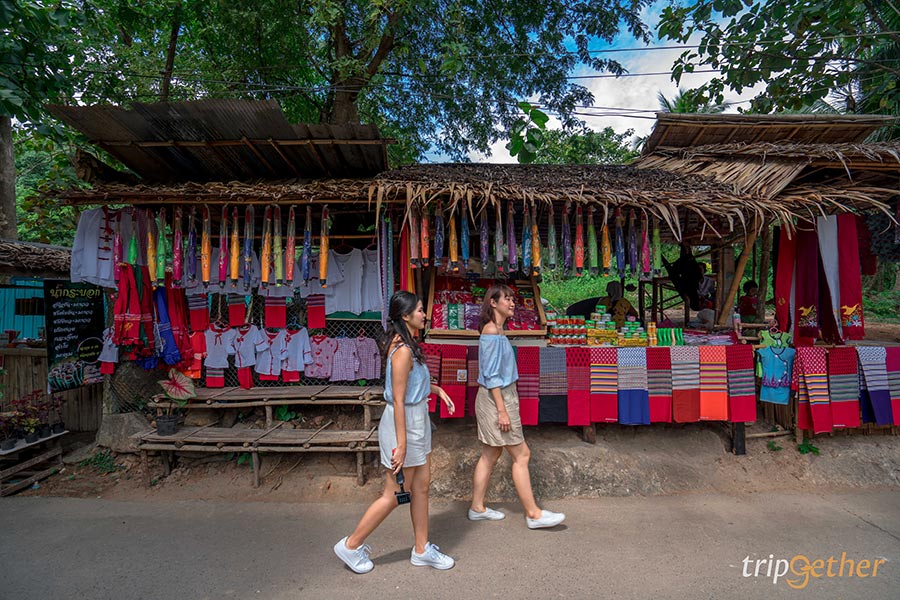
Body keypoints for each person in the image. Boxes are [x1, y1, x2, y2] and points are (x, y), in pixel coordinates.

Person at [334, 291, 456, 573]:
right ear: (405, 315)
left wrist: (437, 390)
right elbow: (398, 399)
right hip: (404, 424)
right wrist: (401, 444)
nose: (424, 315)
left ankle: (422, 549)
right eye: (420, 310)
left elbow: (411, 387)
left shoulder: (409, 344)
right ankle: (351, 545)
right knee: (394, 493)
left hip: (417, 419)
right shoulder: (402, 350)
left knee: (422, 486)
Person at [469, 284, 566, 529]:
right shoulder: (492, 331)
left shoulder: (498, 329)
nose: (512, 303)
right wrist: (502, 410)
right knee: (521, 454)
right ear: (493, 303)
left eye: (513, 299)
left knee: (490, 454)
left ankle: (477, 508)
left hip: (499, 396)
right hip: (497, 399)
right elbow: (491, 375)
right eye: (507, 299)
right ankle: (533, 514)